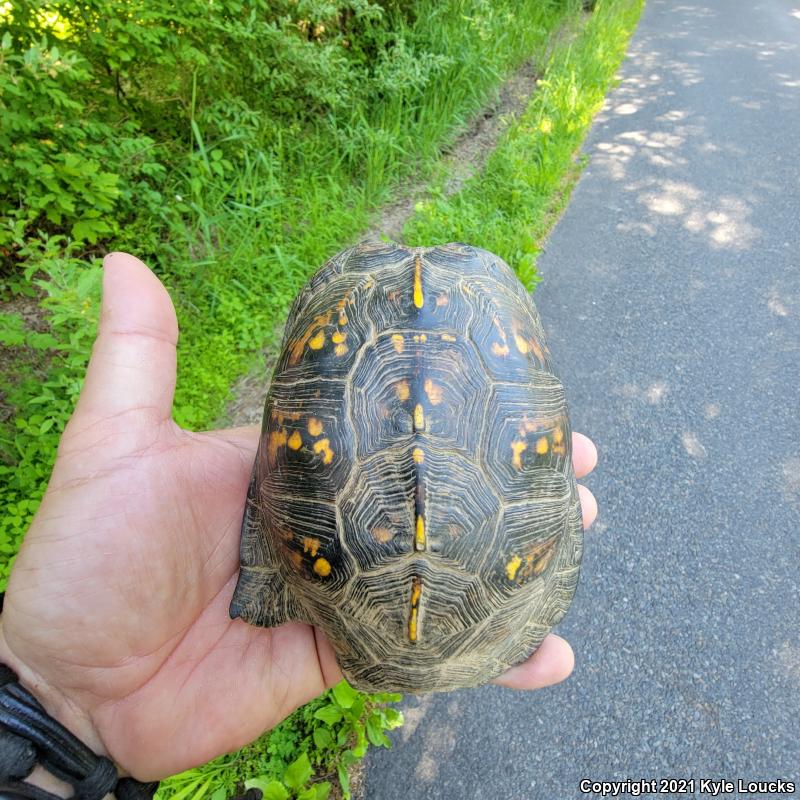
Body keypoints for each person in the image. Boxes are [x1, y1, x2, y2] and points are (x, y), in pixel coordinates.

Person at [0, 253, 598, 784]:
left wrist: (50, 713)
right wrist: (59, 712)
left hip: (331, 581)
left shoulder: (342, 298)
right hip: (489, 592)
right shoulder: (492, 294)